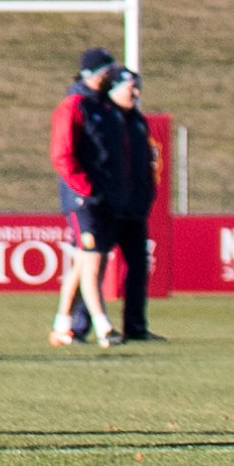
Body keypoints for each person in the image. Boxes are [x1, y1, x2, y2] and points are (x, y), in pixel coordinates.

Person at [48, 48, 152, 348]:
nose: (111, 76)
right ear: (92, 74)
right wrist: (87, 189)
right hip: (85, 201)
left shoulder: (110, 111)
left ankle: (62, 326)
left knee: (84, 265)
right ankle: (104, 327)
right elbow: (62, 154)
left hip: (107, 199)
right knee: (92, 263)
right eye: (107, 71)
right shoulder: (74, 106)